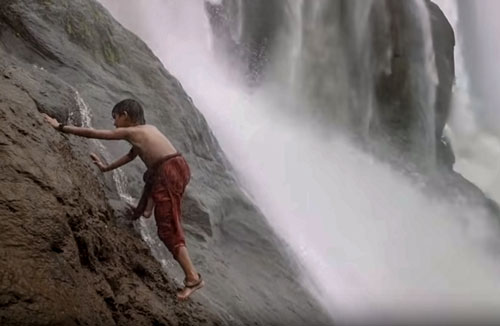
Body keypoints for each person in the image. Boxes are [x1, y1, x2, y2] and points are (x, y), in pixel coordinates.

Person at [42, 99, 204, 300]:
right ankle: (144, 210)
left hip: (169, 171)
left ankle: (192, 278)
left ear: (125, 115)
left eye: (115, 118)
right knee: (152, 175)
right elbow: (130, 156)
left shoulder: (132, 132)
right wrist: (105, 167)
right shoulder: (147, 130)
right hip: (174, 168)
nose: (114, 123)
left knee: (168, 229)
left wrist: (61, 127)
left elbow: (95, 133)